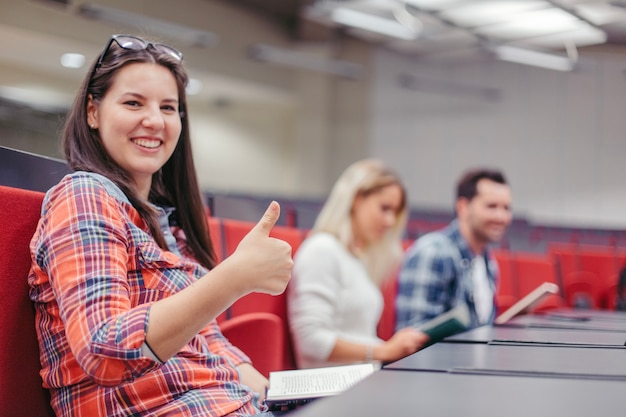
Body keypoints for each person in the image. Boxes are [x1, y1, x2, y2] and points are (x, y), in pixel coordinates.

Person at [28, 34, 293, 417]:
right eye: (133, 103)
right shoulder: (84, 195)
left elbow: (206, 336)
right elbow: (103, 351)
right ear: (92, 112)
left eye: (168, 108)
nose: (154, 121)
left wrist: (272, 393)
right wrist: (234, 278)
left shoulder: (162, 220)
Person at [287, 159, 428, 369]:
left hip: (360, 381)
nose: (390, 221)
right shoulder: (322, 249)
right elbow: (311, 339)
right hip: (331, 390)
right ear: (356, 199)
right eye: (385, 208)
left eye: (394, 212)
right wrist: (386, 350)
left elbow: (357, 335)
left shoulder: (354, 257)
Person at [395, 168, 512, 331]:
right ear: (463, 207)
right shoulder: (433, 253)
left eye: (506, 208)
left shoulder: (488, 262)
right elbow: (413, 340)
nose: (501, 217)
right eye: (491, 206)